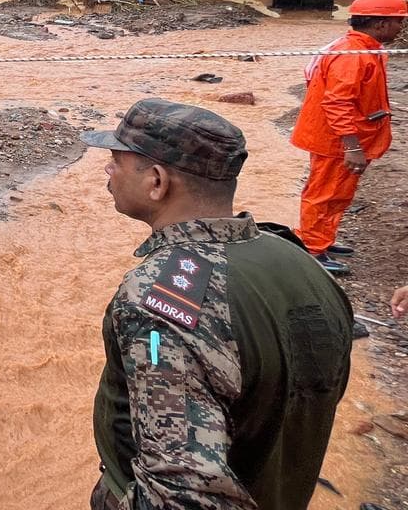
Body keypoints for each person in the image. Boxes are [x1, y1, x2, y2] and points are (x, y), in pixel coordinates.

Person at [82, 98, 353, 510]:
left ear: (156, 181)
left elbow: (181, 491)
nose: (108, 170)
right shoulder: (305, 265)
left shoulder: (157, 306)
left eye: (117, 161)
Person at [291, 0, 404, 274]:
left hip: (341, 136)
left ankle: (321, 238)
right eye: (398, 22)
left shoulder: (364, 48)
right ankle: (312, 250)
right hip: (336, 140)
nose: (401, 28)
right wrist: (351, 146)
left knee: (338, 193)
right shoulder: (353, 55)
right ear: (380, 24)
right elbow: (337, 102)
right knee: (324, 193)